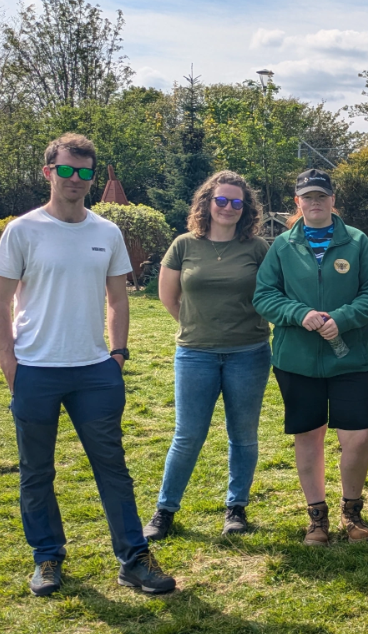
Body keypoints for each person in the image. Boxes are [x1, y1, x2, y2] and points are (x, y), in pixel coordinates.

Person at [0, 133, 175, 596]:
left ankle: (133, 558)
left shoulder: (106, 232)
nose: (76, 179)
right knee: (36, 471)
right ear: (49, 172)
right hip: (35, 369)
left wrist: (118, 354)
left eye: (84, 172)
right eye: (67, 170)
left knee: (113, 468)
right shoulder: (23, 230)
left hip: (95, 371)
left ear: (93, 177)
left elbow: (118, 299)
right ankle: (47, 558)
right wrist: (10, 362)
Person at [253, 169, 368, 546]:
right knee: (309, 438)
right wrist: (299, 314)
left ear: (332, 200)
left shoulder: (357, 242)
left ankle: (352, 512)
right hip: (297, 362)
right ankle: (317, 517)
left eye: (321, 196)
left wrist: (342, 319)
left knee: (357, 438)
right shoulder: (281, 246)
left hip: (349, 360)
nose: (315, 203)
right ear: (297, 202)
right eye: (307, 197)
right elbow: (264, 296)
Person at [141, 171, 270, 541]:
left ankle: (236, 508)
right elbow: (168, 296)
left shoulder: (257, 247)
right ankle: (165, 510)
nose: (228, 207)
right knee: (188, 435)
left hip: (249, 352)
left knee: (242, 435)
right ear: (207, 203)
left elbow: (272, 292)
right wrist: (199, 325)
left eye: (236, 202)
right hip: (195, 354)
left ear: (245, 209)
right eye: (221, 200)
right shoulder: (184, 245)